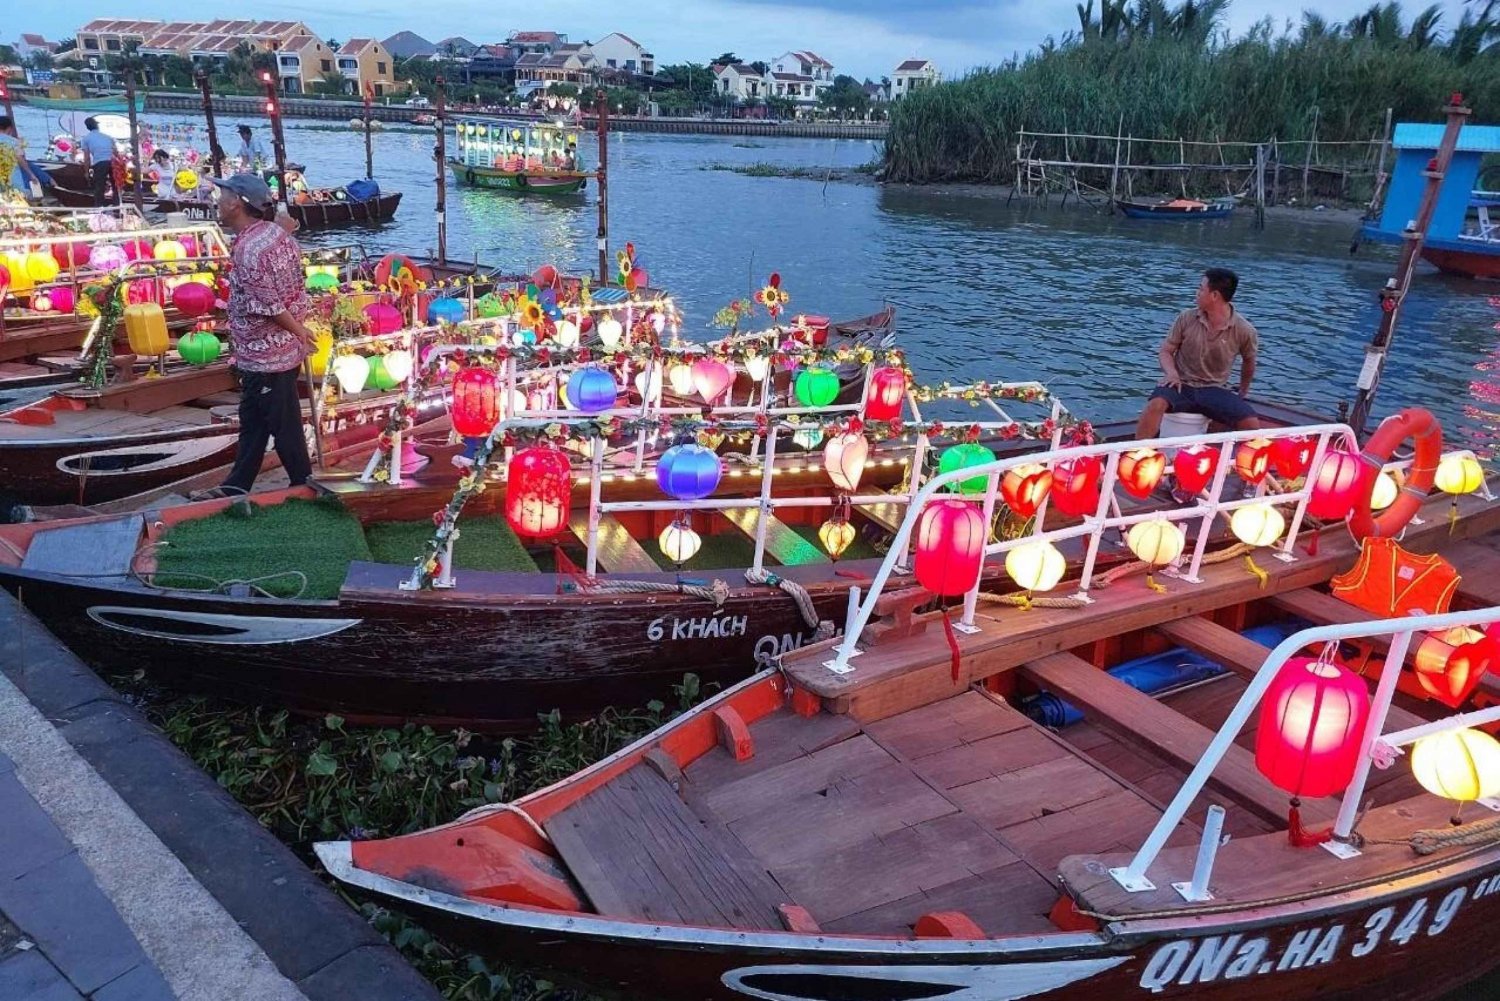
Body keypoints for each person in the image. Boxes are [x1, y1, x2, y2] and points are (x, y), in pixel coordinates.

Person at [194, 174, 314, 499]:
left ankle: (304, 484)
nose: (217, 200)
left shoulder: (249, 249)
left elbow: (270, 304)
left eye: (223, 195)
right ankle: (237, 485)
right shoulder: (274, 234)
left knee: (282, 424)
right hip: (267, 353)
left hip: (268, 356)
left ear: (236, 203)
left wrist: (300, 332)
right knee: (254, 422)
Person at [1135, 267, 1260, 439]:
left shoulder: (1244, 330)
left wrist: (1243, 391)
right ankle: (1138, 452)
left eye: (1201, 289)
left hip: (1213, 389)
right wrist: (1171, 374)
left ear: (1214, 296)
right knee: (1155, 405)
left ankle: (1227, 458)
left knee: (1251, 423)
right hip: (1180, 385)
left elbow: (1249, 361)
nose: (1197, 293)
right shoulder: (1186, 318)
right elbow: (1166, 351)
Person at [0, 116, 43, 197]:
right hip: (12, 175)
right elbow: (19, 158)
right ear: (9, 128)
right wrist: (31, 174)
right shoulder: (14, 142)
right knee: (15, 196)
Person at [79, 116, 117, 206]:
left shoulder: (86, 139)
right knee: (115, 186)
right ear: (97, 126)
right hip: (113, 161)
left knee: (99, 187)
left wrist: (86, 172)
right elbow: (115, 152)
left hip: (100, 162)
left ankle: (99, 209)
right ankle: (117, 206)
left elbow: (87, 158)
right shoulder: (108, 137)